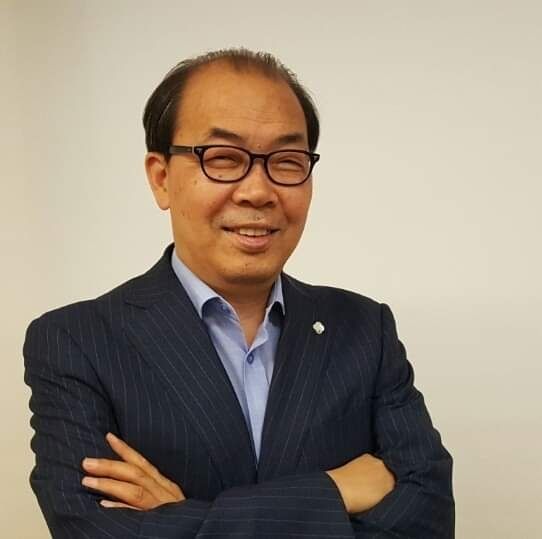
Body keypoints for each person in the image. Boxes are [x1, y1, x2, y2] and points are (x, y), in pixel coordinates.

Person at [24, 48, 454, 538]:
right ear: (161, 178)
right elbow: (89, 530)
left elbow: (429, 517)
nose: (258, 191)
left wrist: (184, 517)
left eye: (287, 162)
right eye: (224, 159)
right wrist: (334, 491)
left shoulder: (364, 330)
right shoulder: (76, 341)